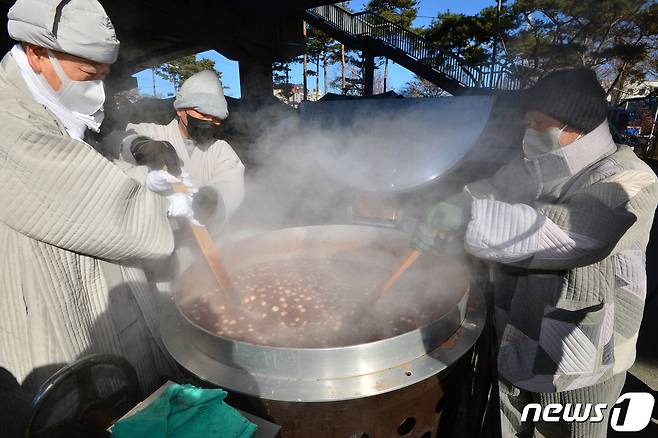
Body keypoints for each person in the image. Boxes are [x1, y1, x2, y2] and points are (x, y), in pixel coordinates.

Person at [413, 68, 658, 437]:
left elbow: (572, 234)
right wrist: (450, 204)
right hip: (515, 336)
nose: (531, 134)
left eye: (541, 123)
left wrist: (467, 218)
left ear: (579, 126)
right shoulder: (532, 167)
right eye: (527, 123)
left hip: (582, 357)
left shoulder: (629, 176)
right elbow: (488, 190)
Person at [0, 0, 193, 395]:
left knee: (123, 391)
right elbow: (110, 211)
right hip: (41, 296)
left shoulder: (44, 95)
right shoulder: (8, 119)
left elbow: (89, 142)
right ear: (37, 53)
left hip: (99, 288)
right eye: (88, 74)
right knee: (81, 402)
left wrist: (135, 146)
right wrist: (171, 202)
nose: (96, 88)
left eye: (103, 75)